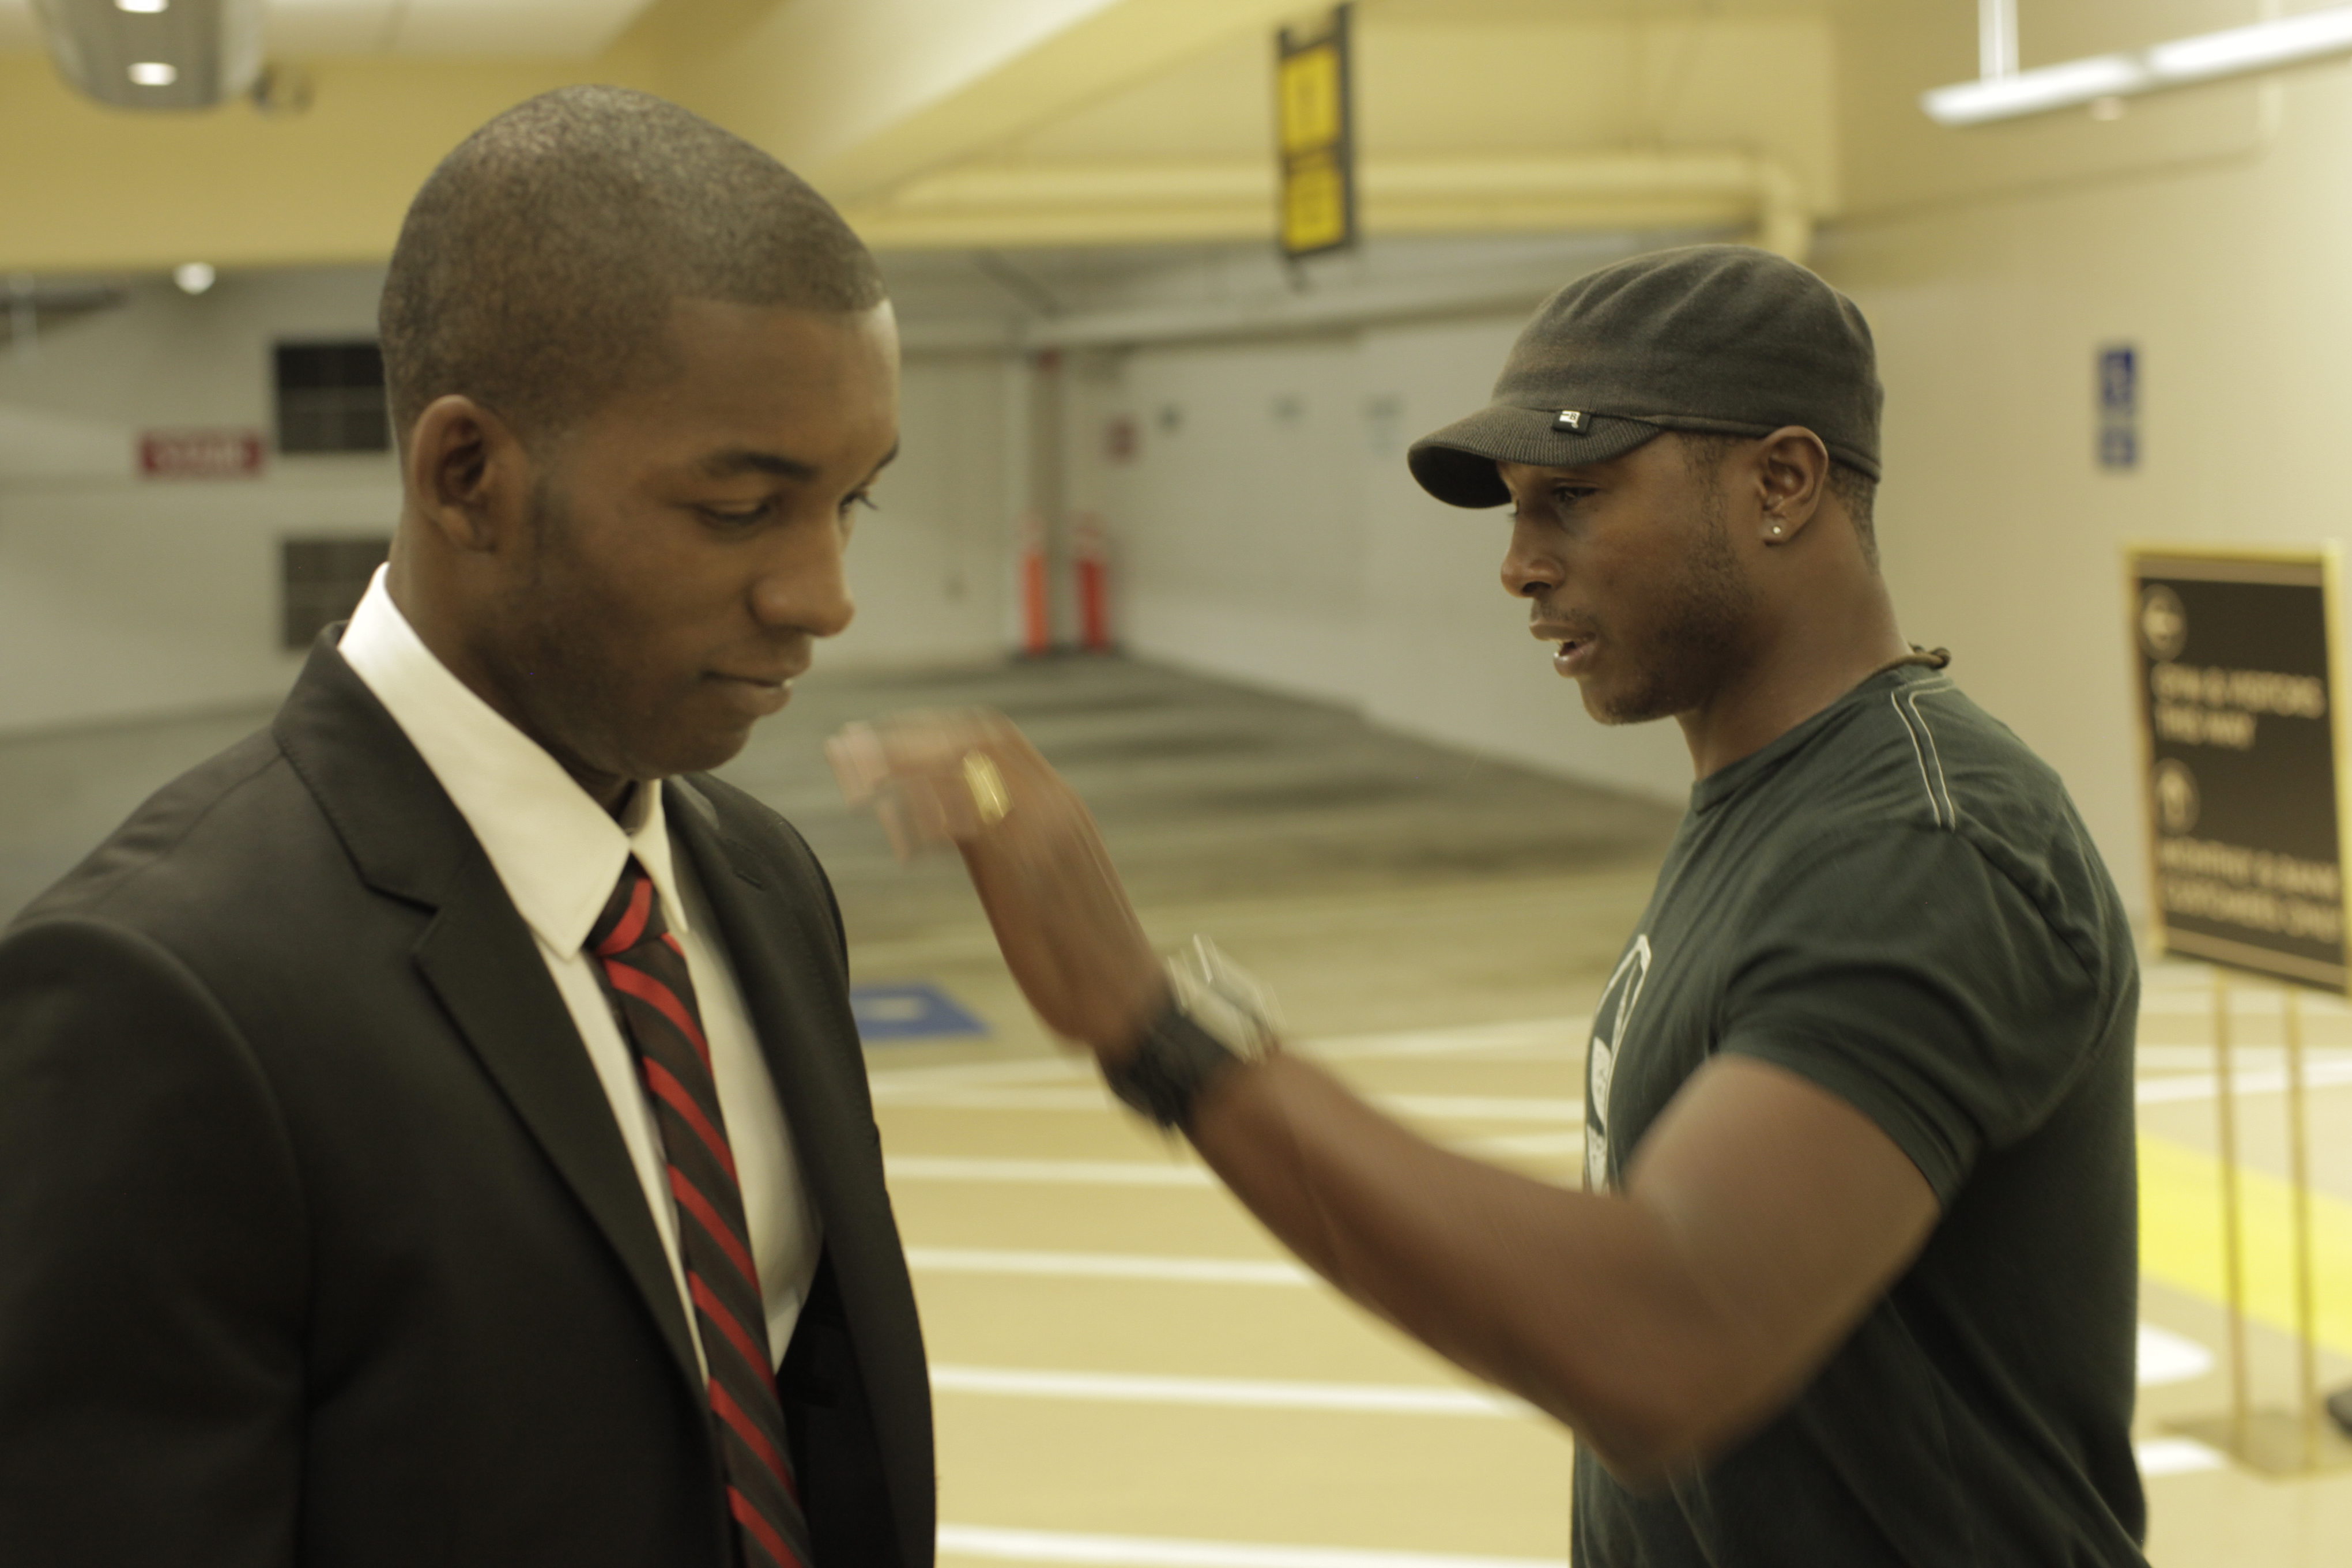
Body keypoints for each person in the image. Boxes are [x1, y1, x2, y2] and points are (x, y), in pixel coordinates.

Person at [833, 246, 2147, 1565]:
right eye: (1517, 510)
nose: (1519, 565)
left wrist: (1157, 1029)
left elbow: (1663, 1339)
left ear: (1783, 482)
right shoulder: (1785, 800)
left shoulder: (1925, 846)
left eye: (1573, 498)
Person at [0, 87, 930, 1568]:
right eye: (745, 508)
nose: (824, 596)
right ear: (467, 478)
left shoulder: (759, 879)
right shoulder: (157, 996)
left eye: (851, 504)